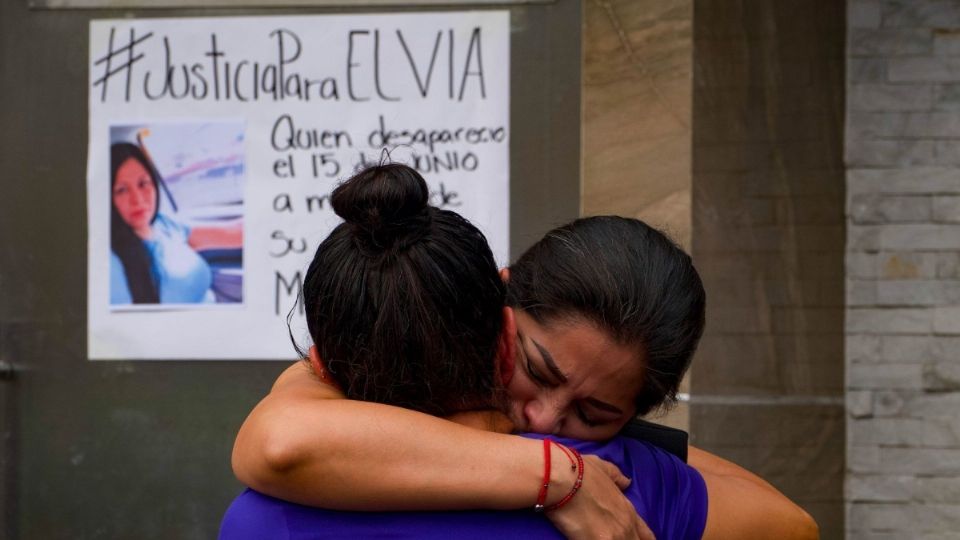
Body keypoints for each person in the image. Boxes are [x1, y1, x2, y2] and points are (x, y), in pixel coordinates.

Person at [229, 164, 819, 539]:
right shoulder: (627, 482)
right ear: (498, 300)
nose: (541, 419)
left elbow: (284, 436)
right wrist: (555, 473)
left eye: (594, 414)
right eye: (536, 370)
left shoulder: (273, 506)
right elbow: (792, 525)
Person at [109, 142, 242, 304]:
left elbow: (232, 233)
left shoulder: (163, 224)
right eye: (122, 190)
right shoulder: (112, 263)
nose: (137, 200)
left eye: (143, 184)